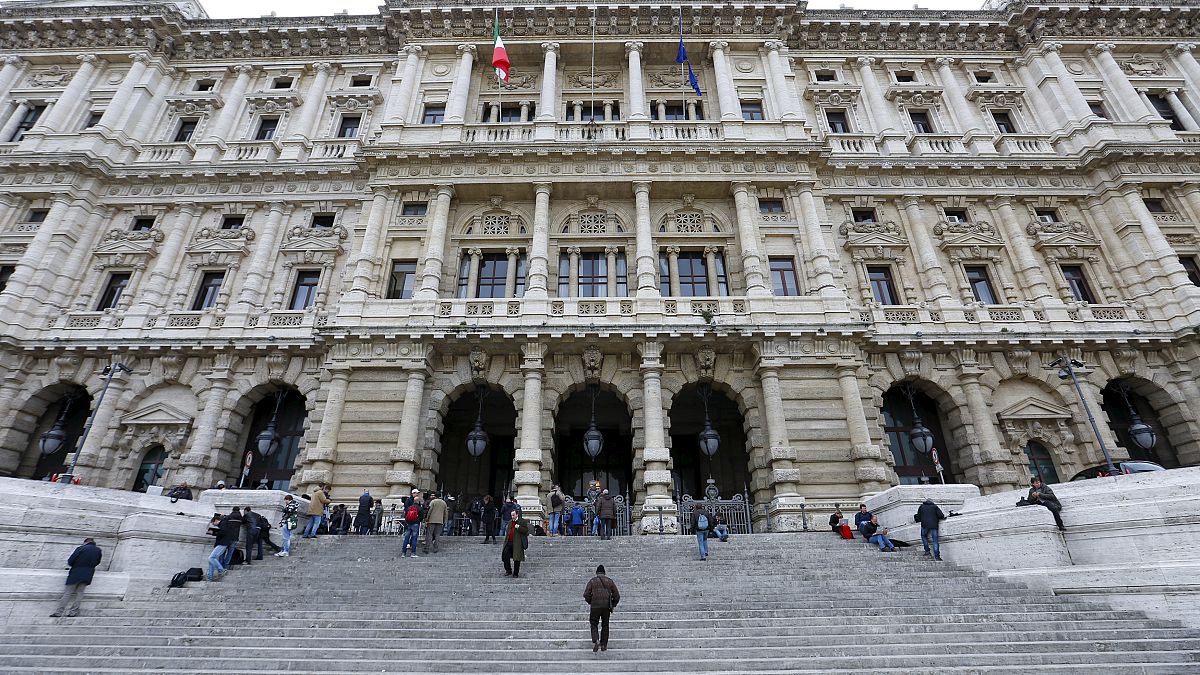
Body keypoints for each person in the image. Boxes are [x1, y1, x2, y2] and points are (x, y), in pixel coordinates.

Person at [51, 538, 102, 618]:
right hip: (88, 574)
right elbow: (97, 562)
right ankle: (73, 612)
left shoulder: (81, 548)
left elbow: (70, 561)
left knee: (68, 593)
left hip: (76, 572)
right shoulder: (98, 550)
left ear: (85, 542)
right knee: (80, 593)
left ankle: (59, 612)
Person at [583, 564, 620, 652]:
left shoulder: (592, 581)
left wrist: (591, 601)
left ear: (596, 573)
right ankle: (603, 644)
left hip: (595, 606)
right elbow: (617, 595)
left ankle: (596, 640)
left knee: (593, 623)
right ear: (604, 573)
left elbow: (586, 594)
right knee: (605, 625)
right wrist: (613, 604)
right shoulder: (609, 581)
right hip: (606, 606)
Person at [208, 507, 242, 581]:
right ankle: (212, 575)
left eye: (213, 523)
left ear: (216, 520)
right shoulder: (240, 517)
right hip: (234, 538)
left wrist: (213, 532)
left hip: (223, 542)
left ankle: (221, 570)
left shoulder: (224, 521)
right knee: (216, 558)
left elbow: (223, 532)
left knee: (212, 558)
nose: (214, 525)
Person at [501, 507, 530, 578]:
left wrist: (519, 527)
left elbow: (526, 531)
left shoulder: (522, 521)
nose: (512, 517)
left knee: (517, 558)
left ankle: (515, 573)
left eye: (513, 515)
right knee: (505, 556)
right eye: (511, 515)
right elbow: (508, 532)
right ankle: (508, 570)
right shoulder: (510, 522)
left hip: (517, 543)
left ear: (517, 515)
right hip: (509, 542)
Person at [402, 492, 423, 558]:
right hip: (415, 524)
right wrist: (419, 521)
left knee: (406, 539)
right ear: (418, 501)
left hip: (409, 524)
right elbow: (422, 516)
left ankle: (403, 553)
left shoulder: (409, 508)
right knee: (414, 539)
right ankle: (413, 553)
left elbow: (406, 515)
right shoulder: (419, 508)